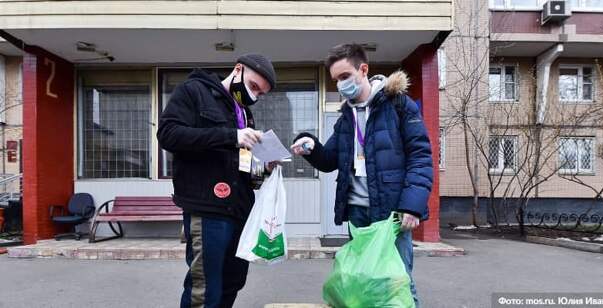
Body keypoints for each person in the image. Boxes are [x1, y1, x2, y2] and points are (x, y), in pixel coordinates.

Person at [291, 43, 433, 307]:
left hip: (393, 213)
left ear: (363, 69)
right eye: (336, 80)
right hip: (357, 212)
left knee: (397, 280)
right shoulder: (346, 117)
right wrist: (309, 144)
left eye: (345, 76)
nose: (340, 84)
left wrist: (412, 206)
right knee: (363, 280)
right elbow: (329, 159)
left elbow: (421, 156)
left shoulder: (398, 104)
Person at [157, 53, 277, 308]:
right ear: (237, 70)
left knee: (233, 282)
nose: (254, 95)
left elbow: (240, 165)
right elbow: (168, 134)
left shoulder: (244, 113)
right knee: (204, 287)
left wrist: (263, 168)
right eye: (254, 86)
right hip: (208, 208)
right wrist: (232, 136)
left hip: (240, 210)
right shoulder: (194, 91)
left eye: (261, 93)